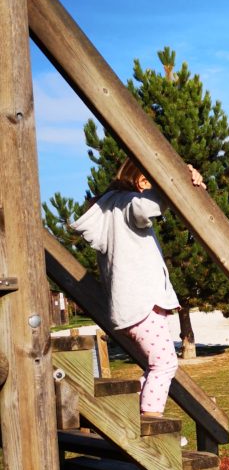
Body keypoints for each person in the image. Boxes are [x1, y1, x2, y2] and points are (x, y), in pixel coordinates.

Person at [71, 156, 206, 419]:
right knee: (165, 364)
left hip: (131, 306)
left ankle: (131, 412)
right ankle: (150, 422)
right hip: (142, 305)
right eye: (149, 182)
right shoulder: (127, 204)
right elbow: (144, 209)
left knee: (159, 364)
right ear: (139, 180)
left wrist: (186, 181)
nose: (151, 188)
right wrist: (175, 183)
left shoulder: (112, 210)